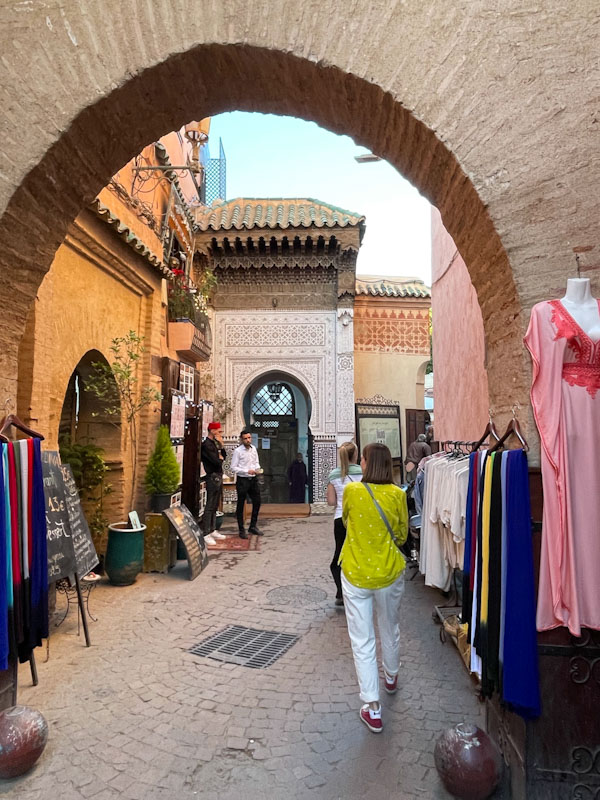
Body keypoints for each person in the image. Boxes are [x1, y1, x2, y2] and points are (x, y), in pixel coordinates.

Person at [340, 443, 408, 734]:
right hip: (390, 573)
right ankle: (391, 676)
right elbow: (403, 534)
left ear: (366, 463)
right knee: (389, 626)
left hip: (356, 572)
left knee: (363, 640)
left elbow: (345, 521)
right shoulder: (398, 494)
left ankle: (373, 707)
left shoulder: (353, 491)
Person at [326, 442, 362, 606]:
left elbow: (331, 502)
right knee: (359, 554)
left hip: (340, 519)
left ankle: (340, 592)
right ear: (355, 455)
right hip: (359, 519)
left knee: (340, 554)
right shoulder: (364, 473)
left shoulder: (334, 475)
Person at [230, 429, 262, 538]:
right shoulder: (238, 451)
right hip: (243, 480)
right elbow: (233, 467)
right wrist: (246, 471)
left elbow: (256, 462)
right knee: (240, 504)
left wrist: (257, 469)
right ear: (241, 439)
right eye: (245, 438)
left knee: (257, 501)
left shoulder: (254, 449)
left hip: (253, 480)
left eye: (249, 438)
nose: (248, 440)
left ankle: (253, 526)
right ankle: (241, 529)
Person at [200, 421, 227, 546]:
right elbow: (216, 462)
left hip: (218, 475)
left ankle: (212, 529)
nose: (220, 433)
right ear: (212, 430)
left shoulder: (214, 444)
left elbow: (224, 457)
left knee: (215, 504)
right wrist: (220, 458)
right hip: (212, 476)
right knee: (210, 505)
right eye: (218, 431)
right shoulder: (206, 445)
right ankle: (206, 532)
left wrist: (221, 445)